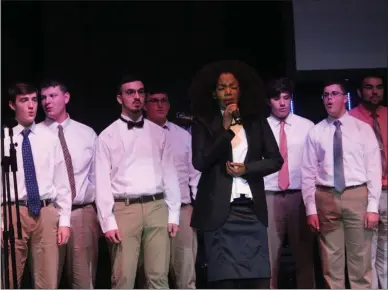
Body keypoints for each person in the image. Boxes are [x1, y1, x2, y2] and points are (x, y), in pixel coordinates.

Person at [188, 60, 284, 289]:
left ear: (240, 90)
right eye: (222, 88)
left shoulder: (256, 122)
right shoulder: (204, 123)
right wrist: (226, 129)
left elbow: (275, 160)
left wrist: (247, 169)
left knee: (258, 281)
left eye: (232, 86)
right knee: (225, 282)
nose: (228, 92)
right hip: (220, 214)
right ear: (214, 94)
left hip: (251, 212)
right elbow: (200, 162)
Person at [94, 74, 181, 289]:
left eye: (140, 92)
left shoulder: (159, 133)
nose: (136, 97)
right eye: (130, 92)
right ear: (119, 98)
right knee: (123, 277)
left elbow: (170, 174)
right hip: (125, 208)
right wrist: (108, 220)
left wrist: (174, 213)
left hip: (157, 206)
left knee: (158, 277)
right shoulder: (107, 136)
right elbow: (102, 182)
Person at [301, 79, 381, 289]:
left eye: (334, 94)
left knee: (360, 260)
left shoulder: (362, 129)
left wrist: (373, 207)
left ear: (344, 98)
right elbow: (308, 172)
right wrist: (311, 208)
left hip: (356, 195)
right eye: (326, 95)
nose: (329, 98)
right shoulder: (316, 132)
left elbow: (374, 169)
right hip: (326, 196)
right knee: (330, 262)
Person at [1, 82, 71, 288]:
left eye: (34, 100)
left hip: (46, 210)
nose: (31, 106)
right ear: (12, 105)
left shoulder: (50, 139)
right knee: (8, 278)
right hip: (14, 212)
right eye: (24, 101)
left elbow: (62, 181)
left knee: (47, 280)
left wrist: (64, 219)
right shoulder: (4, 140)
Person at [36, 80, 99, 288]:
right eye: (43, 97)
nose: (46, 102)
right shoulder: (35, 135)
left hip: (82, 213)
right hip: (50, 214)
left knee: (83, 281)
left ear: (66, 97)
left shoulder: (87, 133)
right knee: (47, 279)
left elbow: (97, 177)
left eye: (52, 96)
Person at [144, 86, 201, 289]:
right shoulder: (139, 135)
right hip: (153, 208)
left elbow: (194, 174)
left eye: (164, 100)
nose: (160, 105)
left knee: (186, 271)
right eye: (154, 101)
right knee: (153, 274)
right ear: (144, 105)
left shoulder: (183, 135)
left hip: (184, 209)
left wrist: (197, 207)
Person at [264, 77, 315, 289]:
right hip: (269, 195)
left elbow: (314, 165)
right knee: (268, 257)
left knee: (304, 256)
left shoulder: (307, 127)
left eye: (286, 98)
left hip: (299, 196)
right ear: (269, 101)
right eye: (277, 98)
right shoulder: (260, 127)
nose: (282, 103)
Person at [349, 75, 387, 289]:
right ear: (359, 92)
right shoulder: (351, 120)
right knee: (366, 253)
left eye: (379, 87)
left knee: (386, 252)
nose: (375, 92)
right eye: (369, 88)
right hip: (363, 193)